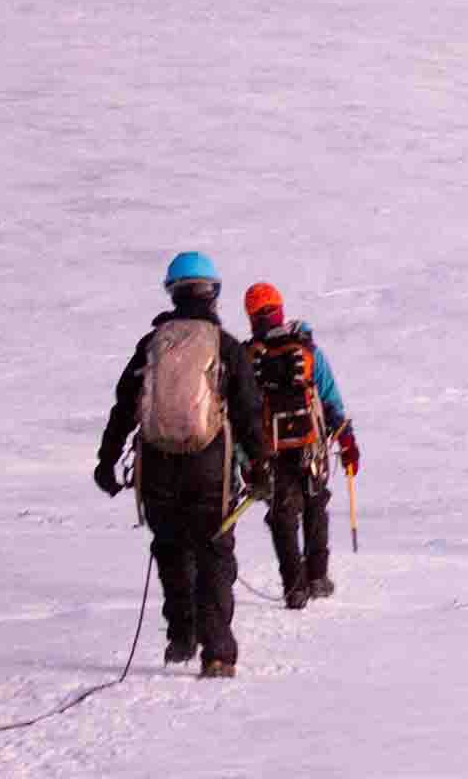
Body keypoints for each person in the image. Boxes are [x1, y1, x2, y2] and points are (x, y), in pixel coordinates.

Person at [95, 252, 267, 679]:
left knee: (170, 546)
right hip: (209, 464)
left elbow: (124, 407)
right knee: (213, 550)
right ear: (213, 293)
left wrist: (107, 459)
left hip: (156, 466)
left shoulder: (152, 344)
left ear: (172, 292)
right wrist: (261, 465)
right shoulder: (223, 345)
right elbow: (248, 411)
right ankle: (217, 652)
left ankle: (181, 635)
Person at [242, 282, 361, 610]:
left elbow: (241, 411)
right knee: (315, 501)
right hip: (311, 443)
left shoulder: (248, 356)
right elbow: (329, 396)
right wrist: (347, 439)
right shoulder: (306, 349)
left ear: (250, 316)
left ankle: (294, 587)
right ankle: (318, 577)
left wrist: (246, 460)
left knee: (282, 513)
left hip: (271, 447)